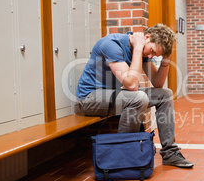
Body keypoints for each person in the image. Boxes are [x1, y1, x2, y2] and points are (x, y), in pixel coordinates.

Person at [76, 24, 193, 168]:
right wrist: (138, 50)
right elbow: (131, 85)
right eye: (151, 51)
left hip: (113, 96)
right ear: (147, 37)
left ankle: (170, 153)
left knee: (165, 95)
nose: (150, 56)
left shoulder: (142, 50)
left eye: (154, 55)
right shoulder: (112, 45)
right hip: (89, 98)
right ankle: (125, 155)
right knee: (138, 97)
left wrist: (165, 58)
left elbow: (157, 83)